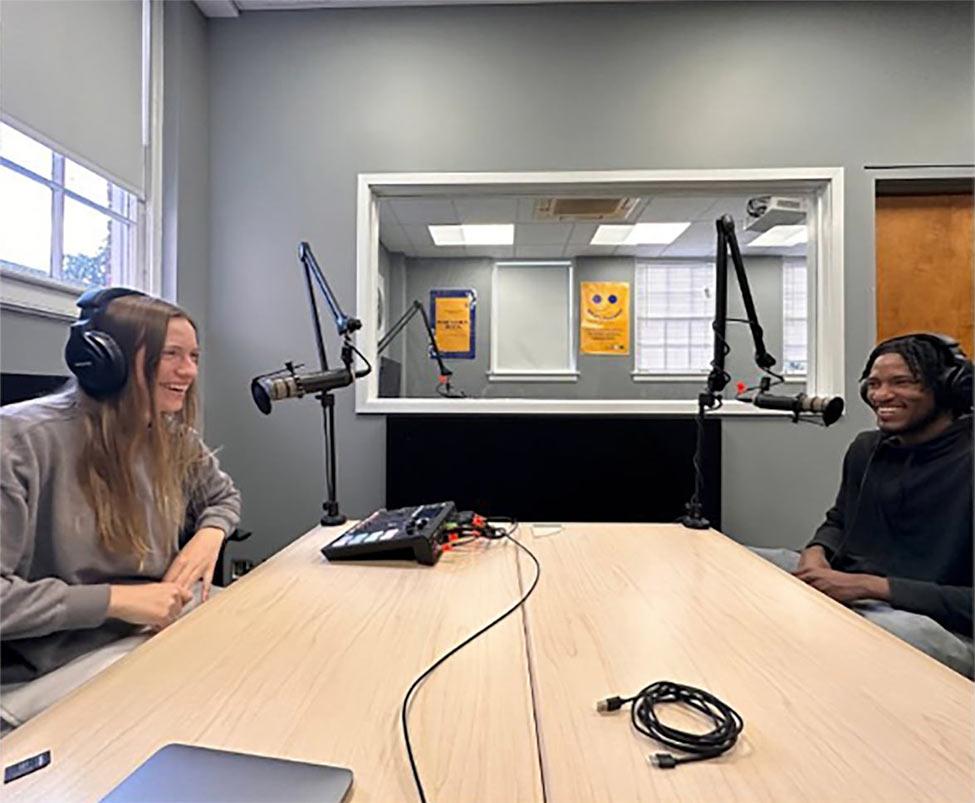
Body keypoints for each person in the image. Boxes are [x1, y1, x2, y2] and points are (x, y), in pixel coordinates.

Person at [1, 288, 241, 726]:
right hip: (51, 672)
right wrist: (118, 601)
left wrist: (209, 537)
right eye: (171, 354)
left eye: (194, 356)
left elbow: (222, 497)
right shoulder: (19, 442)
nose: (187, 372)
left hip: (147, 633)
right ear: (105, 360)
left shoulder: (169, 436)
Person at [754, 333, 973, 677]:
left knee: (888, 636)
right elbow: (840, 520)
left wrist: (873, 587)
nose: (882, 395)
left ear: (948, 387)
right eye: (873, 384)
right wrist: (817, 550)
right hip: (858, 593)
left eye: (902, 382)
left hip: (938, 626)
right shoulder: (867, 449)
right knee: (744, 562)